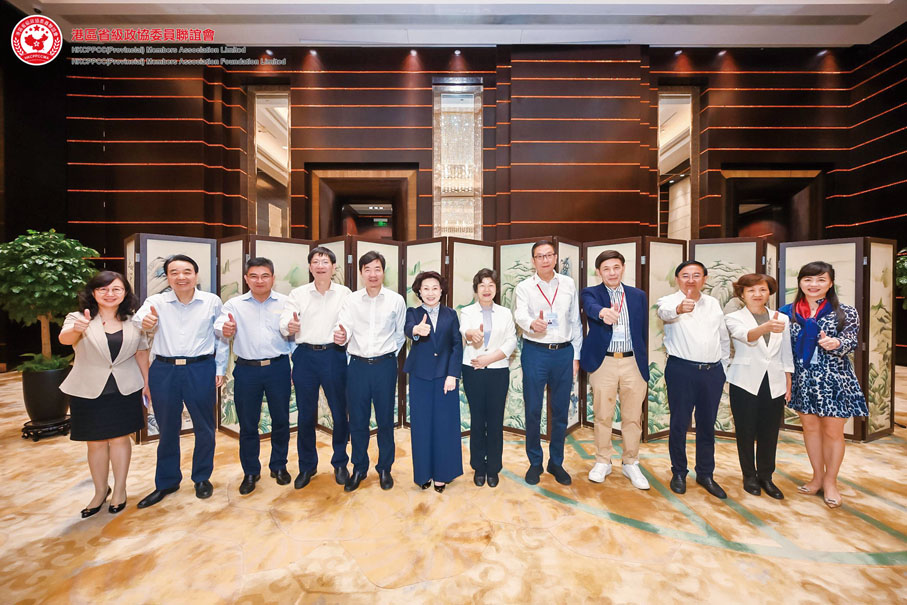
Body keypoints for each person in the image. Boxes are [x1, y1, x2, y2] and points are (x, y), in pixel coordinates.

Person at [133, 254, 229, 508]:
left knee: (204, 427)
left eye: (187, 271)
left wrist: (220, 368)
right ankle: (167, 481)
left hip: (200, 368)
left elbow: (221, 336)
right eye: (174, 272)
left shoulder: (211, 301)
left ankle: (202, 478)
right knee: (166, 428)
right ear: (167, 277)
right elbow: (139, 319)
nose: (181, 277)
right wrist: (145, 321)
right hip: (164, 370)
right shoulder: (156, 301)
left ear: (196, 275)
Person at [59, 271, 150, 517]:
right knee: (96, 442)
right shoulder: (78, 317)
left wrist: (147, 383)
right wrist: (77, 329)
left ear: (125, 293)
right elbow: (65, 339)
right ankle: (100, 491)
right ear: (93, 292)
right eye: (103, 289)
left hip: (125, 387)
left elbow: (141, 353)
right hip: (87, 389)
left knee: (120, 439)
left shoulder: (134, 321)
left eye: (116, 289)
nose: (110, 294)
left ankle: (120, 489)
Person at [780, 261, 867, 509]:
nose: (814, 284)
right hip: (803, 379)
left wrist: (836, 343)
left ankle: (831, 481)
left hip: (834, 379)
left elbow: (850, 340)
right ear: (800, 282)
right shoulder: (787, 313)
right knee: (810, 430)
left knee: (832, 432)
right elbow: (782, 349)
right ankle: (817, 477)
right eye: (808, 279)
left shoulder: (845, 312)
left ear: (830, 283)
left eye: (821, 280)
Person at [215, 258, 294, 495]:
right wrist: (224, 330)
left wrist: (296, 367)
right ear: (246, 279)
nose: (260, 281)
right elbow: (221, 327)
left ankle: (279, 465)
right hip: (247, 370)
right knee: (248, 424)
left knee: (281, 421)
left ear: (273, 278)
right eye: (254, 276)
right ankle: (251, 471)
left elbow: (293, 337)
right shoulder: (234, 304)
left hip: (278, 368)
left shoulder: (286, 302)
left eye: (265, 276)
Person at [656, 260, 730, 499]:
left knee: (707, 425)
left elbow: (722, 337)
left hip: (712, 372)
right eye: (685, 275)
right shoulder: (669, 301)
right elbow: (664, 313)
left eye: (696, 275)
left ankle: (705, 473)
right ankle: (678, 472)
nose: (691, 280)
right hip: (681, 371)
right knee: (679, 423)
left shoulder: (713, 303)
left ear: (704, 279)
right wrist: (679, 309)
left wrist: (724, 367)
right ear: (677, 279)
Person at [280, 246, 352, 489]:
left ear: (334, 266)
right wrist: (288, 326)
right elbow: (285, 320)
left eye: (325, 262)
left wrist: (345, 334)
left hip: (334, 355)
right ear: (310, 267)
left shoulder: (345, 293)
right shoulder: (298, 293)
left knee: (339, 412)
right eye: (316, 262)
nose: (320, 266)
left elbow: (350, 322)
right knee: (305, 414)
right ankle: (307, 466)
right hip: (305, 356)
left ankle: (340, 463)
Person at [513, 240, 583, 486]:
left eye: (548, 255)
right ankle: (535, 462)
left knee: (561, 410)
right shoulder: (524, 287)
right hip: (536, 352)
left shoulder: (568, 284)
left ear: (555, 258)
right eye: (539, 256)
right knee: (533, 409)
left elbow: (575, 321)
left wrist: (576, 356)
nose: (544, 260)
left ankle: (556, 462)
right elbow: (520, 314)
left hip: (564, 353)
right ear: (533, 260)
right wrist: (532, 323)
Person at [335, 251, 406, 492]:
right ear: (361, 273)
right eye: (368, 269)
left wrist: (387, 356)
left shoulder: (396, 300)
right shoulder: (352, 300)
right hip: (357, 367)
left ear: (384, 272)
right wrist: (342, 335)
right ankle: (359, 467)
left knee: (385, 420)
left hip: (385, 366)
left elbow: (400, 335)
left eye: (377, 269)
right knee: (357, 420)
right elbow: (344, 326)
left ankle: (385, 468)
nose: (373, 274)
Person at [580, 250, 650, 490]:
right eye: (606, 269)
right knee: (603, 415)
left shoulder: (638, 295)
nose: (612, 273)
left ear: (623, 268)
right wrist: (602, 312)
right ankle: (603, 460)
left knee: (633, 416)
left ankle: (631, 462)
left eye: (616, 267)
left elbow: (642, 331)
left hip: (633, 362)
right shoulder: (591, 293)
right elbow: (590, 307)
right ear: (598, 272)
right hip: (604, 362)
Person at [724, 274, 794, 500]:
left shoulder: (781, 318)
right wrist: (765, 327)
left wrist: (788, 380)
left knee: (769, 432)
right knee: (745, 431)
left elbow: (786, 352)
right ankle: (749, 476)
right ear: (742, 294)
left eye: (762, 290)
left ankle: (766, 476)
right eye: (751, 290)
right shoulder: (734, 317)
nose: (757, 294)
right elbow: (746, 336)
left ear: (769, 292)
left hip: (774, 381)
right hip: (744, 381)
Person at [404, 271, 463, 492]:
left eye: (435, 288)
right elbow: (409, 329)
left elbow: (457, 345)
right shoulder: (413, 313)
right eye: (426, 288)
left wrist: (452, 374)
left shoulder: (451, 314)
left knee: (445, 426)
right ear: (419, 291)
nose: (430, 293)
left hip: (445, 378)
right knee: (421, 426)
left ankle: (442, 475)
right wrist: (416, 331)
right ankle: (423, 473)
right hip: (420, 377)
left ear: (441, 291)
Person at [460, 268, 517, 488]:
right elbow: (465, 331)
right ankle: (478, 466)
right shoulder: (467, 312)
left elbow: (511, 341)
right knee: (477, 419)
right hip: (473, 370)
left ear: (496, 289)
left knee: (495, 420)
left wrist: (490, 358)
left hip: (498, 370)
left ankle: (493, 467)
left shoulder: (505, 313)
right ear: (476, 289)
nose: (486, 289)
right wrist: (472, 334)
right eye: (482, 285)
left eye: (491, 285)